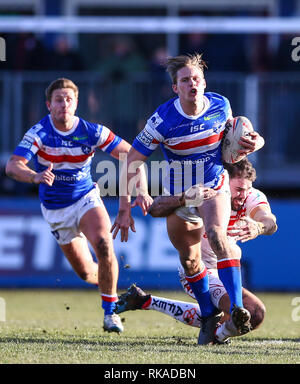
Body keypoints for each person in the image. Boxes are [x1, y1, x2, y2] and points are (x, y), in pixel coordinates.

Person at [111, 53, 265, 344]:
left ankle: (237, 307)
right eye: (185, 80)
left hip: (213, 186)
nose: (192, 83)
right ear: (175, 88)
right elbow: (131, 161)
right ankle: (208, 314)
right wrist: (128, 203)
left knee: (218, 237)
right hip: (180, 195)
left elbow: (239, 138)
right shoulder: (163, 120)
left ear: (204, 83)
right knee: (190, 261)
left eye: (196, 78)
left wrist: (256, 141)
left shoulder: (221, 105)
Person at [5, 78, 152, 334]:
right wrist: (34, 176)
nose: (64, 104)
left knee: (105, 245)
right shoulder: (39, 133)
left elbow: (133, 157)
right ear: (48, 105)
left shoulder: (92, 131)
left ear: (76, 103)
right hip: (55, 210)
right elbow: (12, 165)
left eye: (68, 99)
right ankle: (111, 287)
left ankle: (111, 313)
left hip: (85, 198)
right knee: (86, 274)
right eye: (58, 100)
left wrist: (142, 191)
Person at [114, 158, 278, 344]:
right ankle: (218, 337)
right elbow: (155, 208)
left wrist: (259, 227)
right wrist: (184, 197)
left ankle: (145, 301)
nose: (243, 195)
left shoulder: (251, 196)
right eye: (239, 190)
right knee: (253, 312)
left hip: (227, 269)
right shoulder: (205, 195)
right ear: (224, 183)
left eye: (247, 189)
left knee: (235, 316)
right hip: (199, 270)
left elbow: (270, 221)